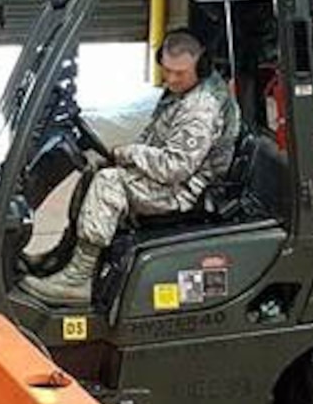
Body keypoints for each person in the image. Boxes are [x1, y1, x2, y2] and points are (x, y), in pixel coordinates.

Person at [24, 31, 231, 306]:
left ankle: (79, 280)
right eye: (166, 71)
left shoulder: (201, 109)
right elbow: (156, 139)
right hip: (173, 177)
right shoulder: (184, 90)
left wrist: (130, 153)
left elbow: (175, 167)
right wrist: (124, 156)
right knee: (95, 170)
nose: (170, 80)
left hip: (184, 192)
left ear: (201, 67)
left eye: (179, 73)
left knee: (109, 182)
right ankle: (64, 254)